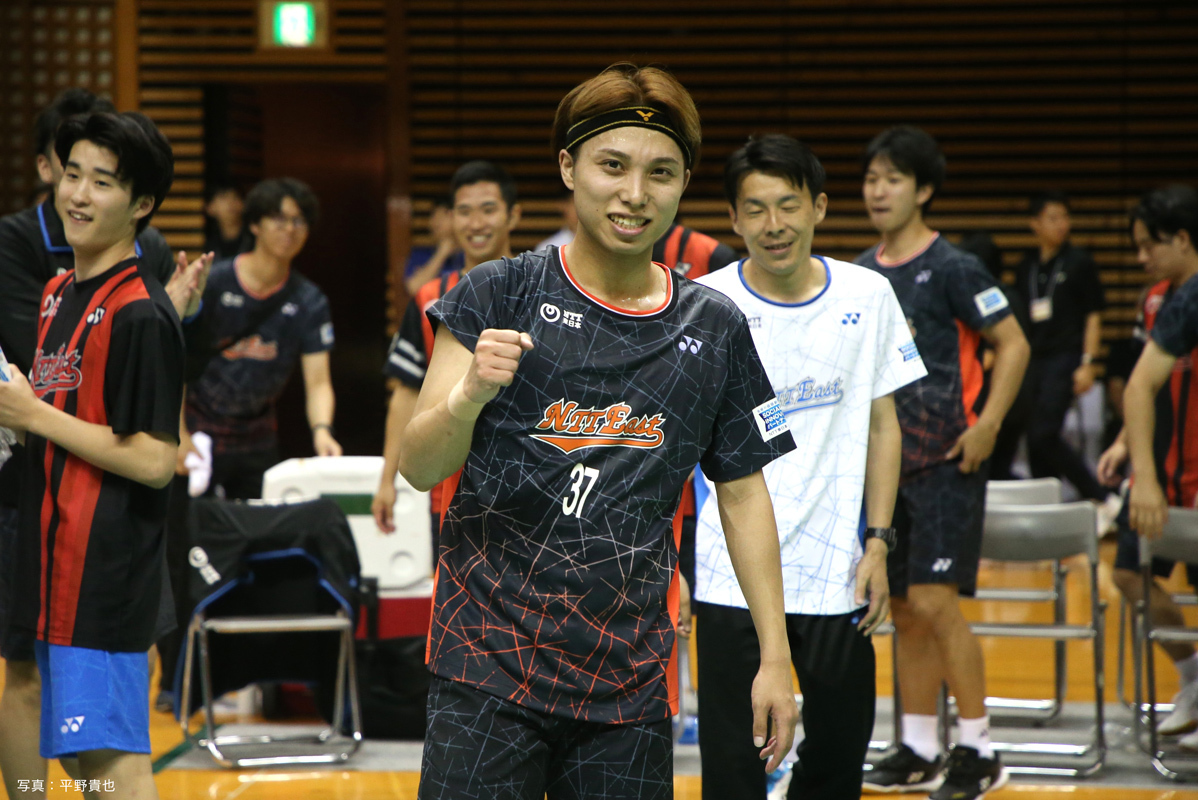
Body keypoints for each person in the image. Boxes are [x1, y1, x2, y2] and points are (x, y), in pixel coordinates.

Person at [397, 63, 799, 800]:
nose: (635, 193)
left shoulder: (715, 327)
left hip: (629, 684)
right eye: (612, 166)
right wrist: (467, 395)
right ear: (568, 168)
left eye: (660, 173)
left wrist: (775, 656)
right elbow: (419, 466)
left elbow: (744, 494)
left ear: (683, 185)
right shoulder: (497, 292)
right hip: (485, 663)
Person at [688, 134, 926, 799]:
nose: (774, 225)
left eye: (788, 205)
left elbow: (883, 426)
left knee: (838, 758)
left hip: (834, 571)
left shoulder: (869, 294)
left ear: (818, 207)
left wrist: (877, 542)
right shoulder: (704, 305)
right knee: (733, 768)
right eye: (755, 209)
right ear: (733, 219)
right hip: (728, 572)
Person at [0, 89, 207, 799]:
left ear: (141, 204)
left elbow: (154, 459)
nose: (78, 195)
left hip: (106, 573)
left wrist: (32, 414)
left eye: (103, 182)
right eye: (72, 174)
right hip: (48, 558)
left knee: (107, 765)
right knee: (62, 742)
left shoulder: (141, 312)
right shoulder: (58, 293)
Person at [855, 126, 1029, 799]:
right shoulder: (862, 273)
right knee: (902, 606)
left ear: (924, 190)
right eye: (871, 179)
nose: (878, 191)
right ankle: (920, 746)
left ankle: (980, 749)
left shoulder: (955, 266)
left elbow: (1013, 344)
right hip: (886, 469)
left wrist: (988, 425)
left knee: (935, 601)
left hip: (948, 462)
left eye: (893, 179)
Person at [1098, 185, 1198, 746]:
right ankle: (1194, 678)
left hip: (1196, 467)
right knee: (1128, 572)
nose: (1141, 258)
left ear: (1182, 239)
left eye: (1149, 245)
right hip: (1159, 468)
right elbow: (1145, 385)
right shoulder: (1157, 300)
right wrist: (1126, 445)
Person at [373, 161, 520, 533]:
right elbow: (406, 393)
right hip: (448, 488)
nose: (476, 223)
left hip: (528, 485)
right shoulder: (429, 298)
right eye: (464, 212)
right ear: (451, 219)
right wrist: (387, 480)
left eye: (488, 209)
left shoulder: (540, 291)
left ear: (513, 215)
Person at [183, 177, 340, 501]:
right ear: (255, 224)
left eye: (299, 221)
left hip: (258, 436)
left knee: (259, 522)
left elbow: (319, 382)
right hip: (197, 431)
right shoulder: (214, 283)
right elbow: (176, 359)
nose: (290, 229)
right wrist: (178, 434)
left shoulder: (309, 301)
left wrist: (322, 431)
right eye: (279, 219)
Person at [992, 193, 1118, 512]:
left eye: (1064, 217)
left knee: (1044, 432)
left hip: (1066, 356)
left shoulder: (1079, 262)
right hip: (1033, 357)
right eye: (1052, 218)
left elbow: (1093, 315)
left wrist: (1088, 362)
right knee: (1033, 437)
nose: (1061, 224)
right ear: (1035, 224)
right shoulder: (1026, 266)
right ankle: (1050, 508)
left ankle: (1101, 496)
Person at [403, 196, 465, 296]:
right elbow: (413, 288)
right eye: (433, 217)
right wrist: (442, 253)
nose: (433, 223)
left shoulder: (471, 253)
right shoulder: (421, 254)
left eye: (441, 217)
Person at [202, 182, 253, 260]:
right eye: (223, 197)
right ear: (209, 207)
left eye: (235, 196)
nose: (231, 202)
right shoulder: (206, 243)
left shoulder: (255, 240)